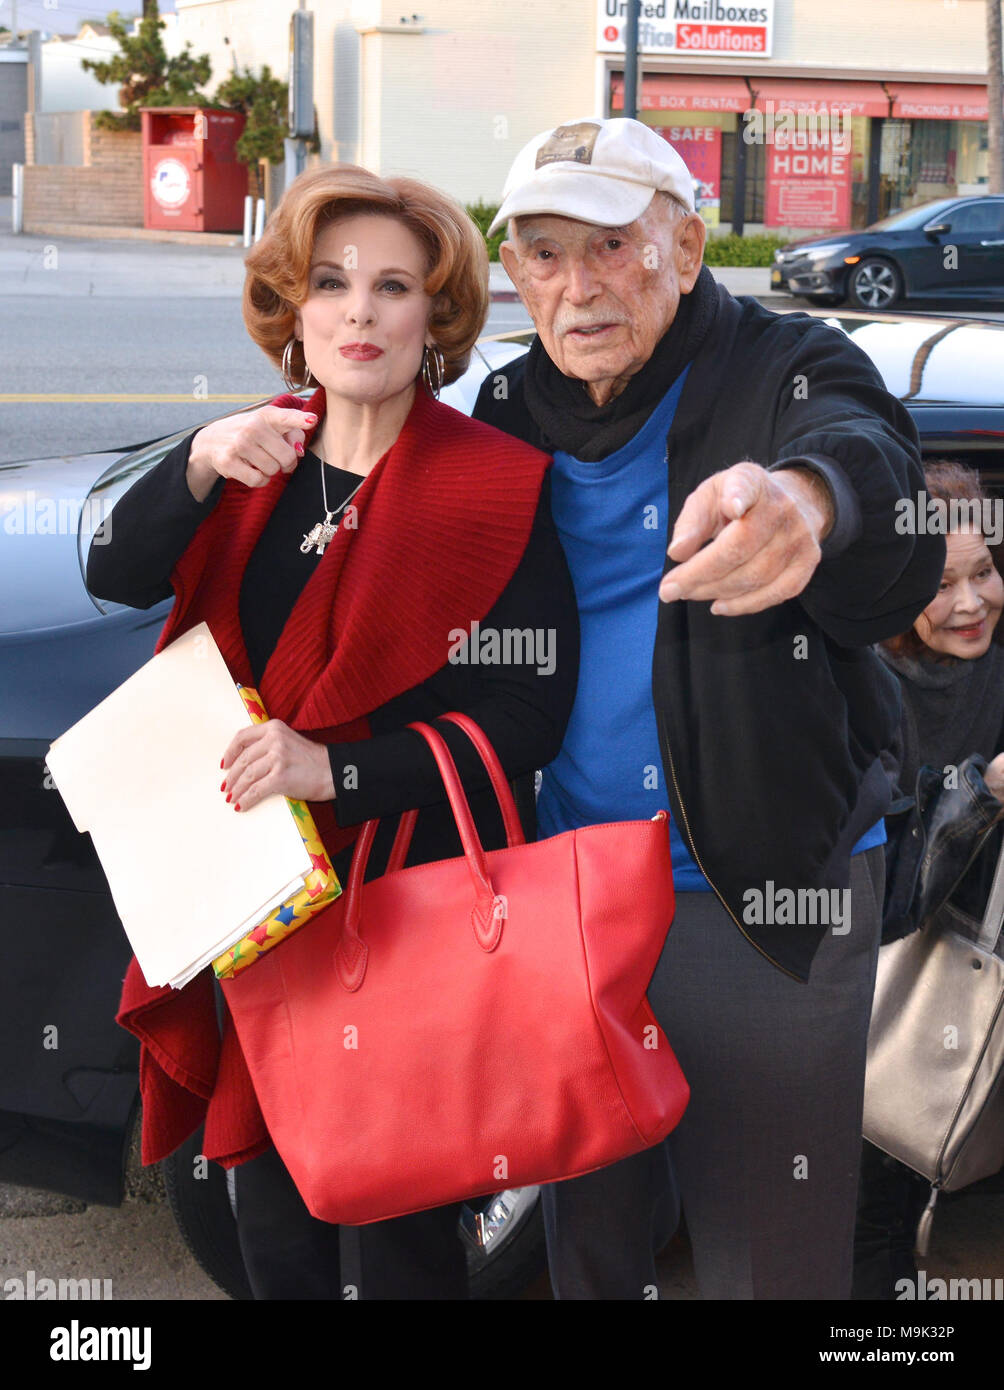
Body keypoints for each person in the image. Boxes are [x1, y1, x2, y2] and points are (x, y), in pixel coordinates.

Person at [471, 116, 946, 1299]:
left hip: (759, 895)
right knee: (590, 1248)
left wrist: (803, 498)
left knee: (768, 1263)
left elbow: (869, 466)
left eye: (611, 247)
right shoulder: (505, 410)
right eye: (539, 254)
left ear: (686, 247)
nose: (575, 287)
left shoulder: (786, 361)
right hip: (570, 897)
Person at [85, 164, 578, 1300]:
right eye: (331, 281)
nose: (360, 310)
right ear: (292, 311)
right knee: (274, 1240)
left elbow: (527, 712)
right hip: (250, 903)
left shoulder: (492, 486)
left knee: (400, 1243)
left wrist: (333, 765)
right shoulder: (252, 458)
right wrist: (199, 460)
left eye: (394, 285)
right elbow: (117, 567)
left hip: (402, 907)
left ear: (435, 318)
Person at [853, 459, 1004, 1299]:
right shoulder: (860, 686)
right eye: (942, 584)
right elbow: (884, 884)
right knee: (866, 1219)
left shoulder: (997, 673)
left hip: (970, 1003)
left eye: (984, 570)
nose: (972, 602)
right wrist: (978, 792)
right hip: (875, 1006)